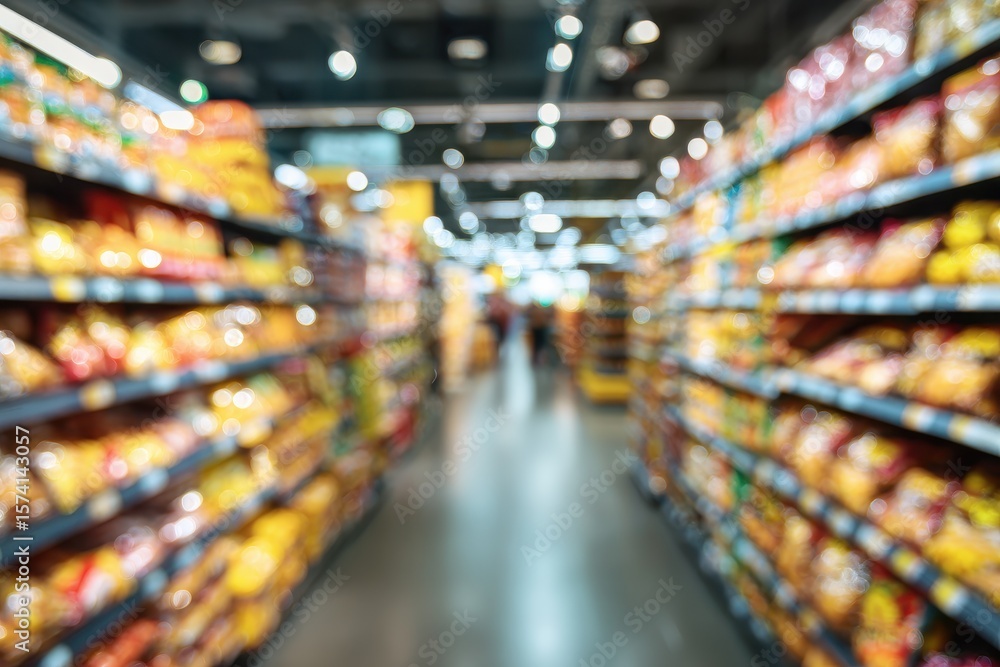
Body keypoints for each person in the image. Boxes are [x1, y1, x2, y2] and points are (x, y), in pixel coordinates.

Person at [528, 301, 551, 366]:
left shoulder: (536, 313)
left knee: (540, 348)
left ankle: (539, 361)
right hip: (538, 333)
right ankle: (539, 361)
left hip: (539, 333)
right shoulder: (540, 312)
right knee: (539, 348)